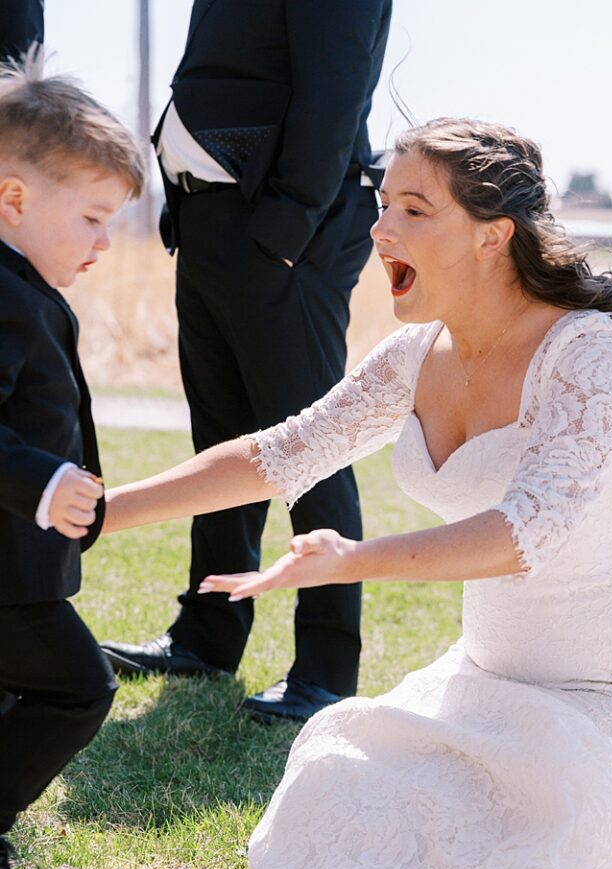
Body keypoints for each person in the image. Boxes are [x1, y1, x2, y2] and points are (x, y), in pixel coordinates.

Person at [102, 119, 612, 869]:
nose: (381, 229)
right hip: (494, 678)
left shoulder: (595, 350)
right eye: (383, 206)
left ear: (496, 234)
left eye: (414, 210)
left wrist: (348, 561)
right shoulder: (413, 356)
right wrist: (100, 513)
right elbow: (280, 452)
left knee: (522, 853)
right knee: (328, 808)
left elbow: (524, 534)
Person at [100, 0, 393, 726]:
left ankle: (325, 673)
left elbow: (338, 81)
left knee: (310, 447)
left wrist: (285, 226)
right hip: (214, 221)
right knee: (224, 439)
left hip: (280, 229)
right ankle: (207, 636)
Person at [0, 51, 145, 869]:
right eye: (91, 218)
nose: (103, 243)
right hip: (8, 574)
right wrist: (44, 480)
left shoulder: (25, 287)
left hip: (23, 564)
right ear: (13, 199)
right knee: (75, 689)